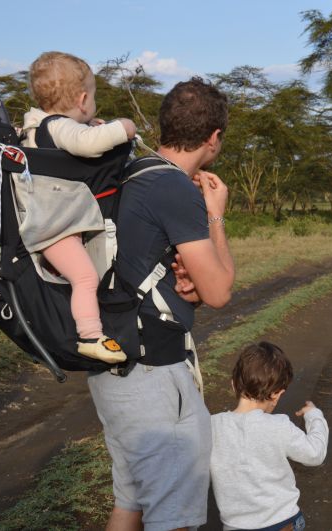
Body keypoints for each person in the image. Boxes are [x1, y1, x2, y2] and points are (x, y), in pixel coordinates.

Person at [87, 76, 235, 531]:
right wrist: (215, 214)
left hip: (115, 364)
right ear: (213, 138)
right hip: (152, 372)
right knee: (173, 517)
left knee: (130, 502)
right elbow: (219, 291)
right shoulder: (173, 188)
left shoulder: (131, 173)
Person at [22, 51, 137, 363]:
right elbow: (86, 144)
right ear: (84, 99)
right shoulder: (57, 126)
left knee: (80, 277)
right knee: (85, 278)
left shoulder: (35, 127)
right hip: (54, 230)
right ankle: (90, 336)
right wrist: (122, 127)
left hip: (51, 224)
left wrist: (90, 126)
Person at [211, 342, 329, 531]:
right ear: (277, 394)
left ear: (233, 385)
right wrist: (314, 416)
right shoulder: (278, 425)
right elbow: (314, 454)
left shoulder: (211, 426)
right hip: (283, 523)